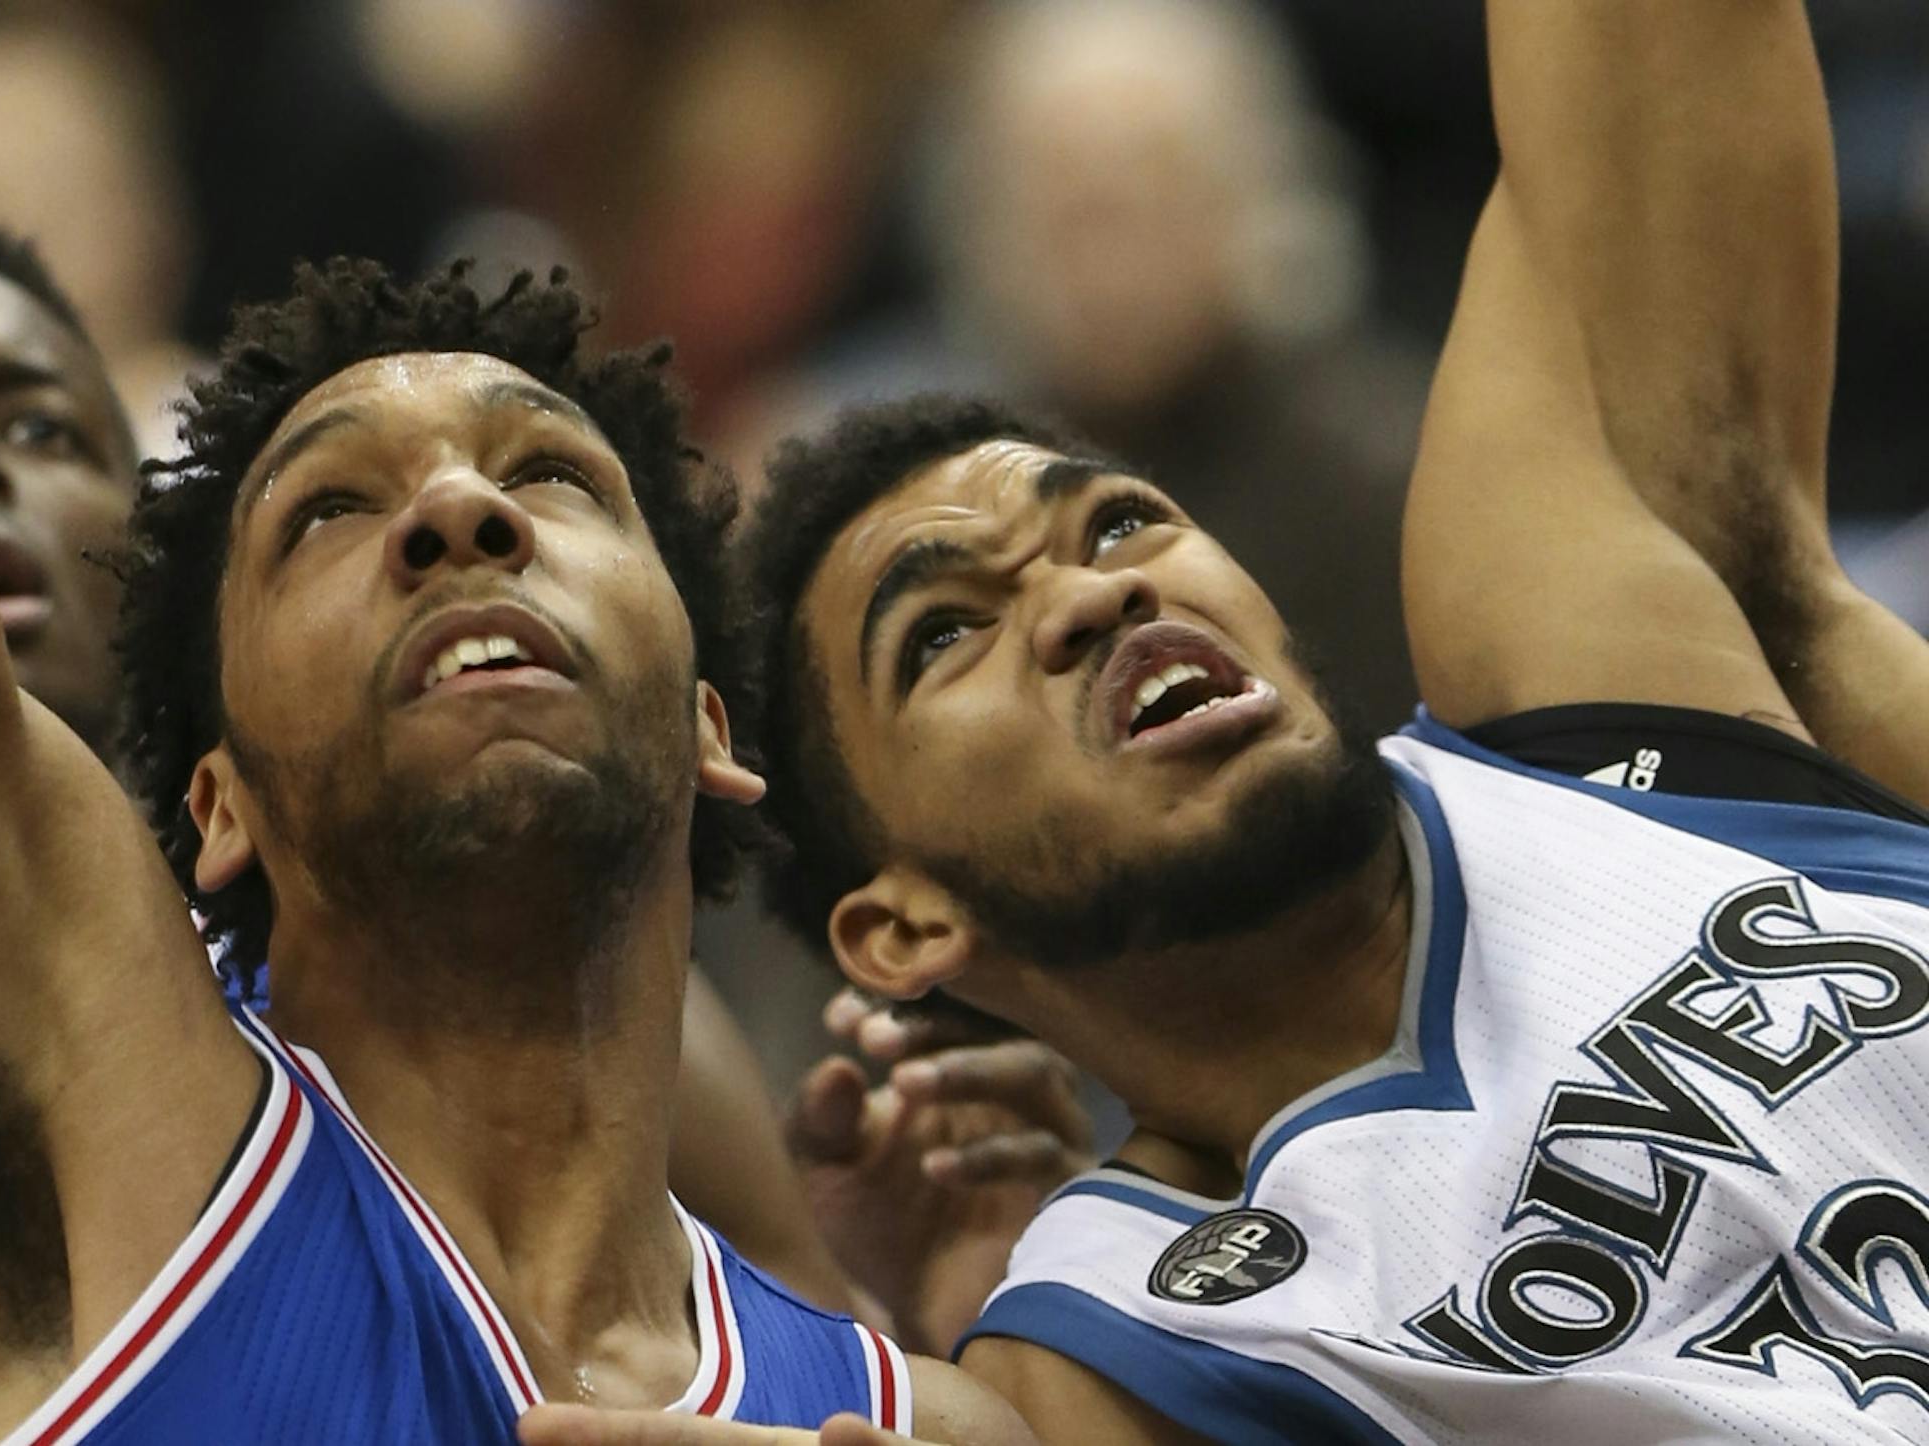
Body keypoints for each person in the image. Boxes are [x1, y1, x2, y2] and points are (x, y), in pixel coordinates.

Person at [0, 2, 1033, 1437]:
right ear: (216, 803)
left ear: (709, 728)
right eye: (328, 511)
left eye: (553, 477)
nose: (459, 510)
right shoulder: (60, 1075)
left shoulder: (915, 1416)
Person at [718, 1, 1929, 1442]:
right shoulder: (1109, 1348)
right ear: (903, 926)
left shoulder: (1585, 676)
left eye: (1118, 521)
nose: (1086, 597)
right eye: (947, 632)